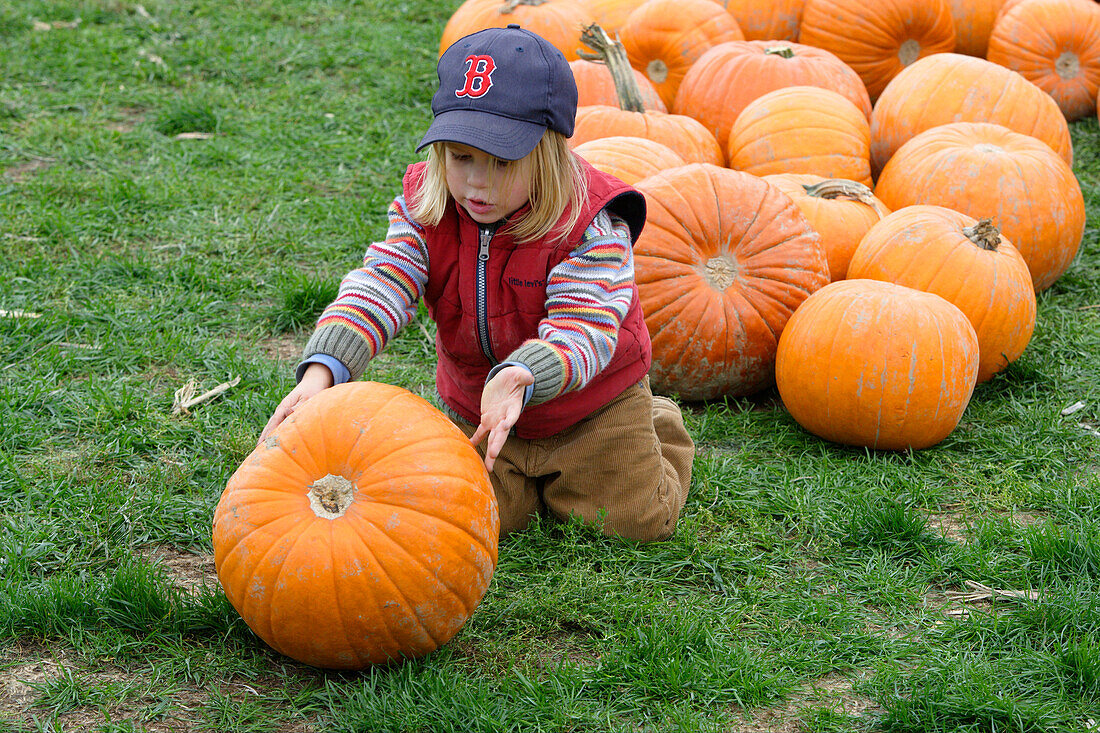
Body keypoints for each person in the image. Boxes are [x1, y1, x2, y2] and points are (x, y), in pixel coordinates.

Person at [259, 24, 694, 542]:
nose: (477, 183)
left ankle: (658, 427)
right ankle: (533, 479)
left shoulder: (589, 221)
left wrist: (523, 374)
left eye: (502, 161)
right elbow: (382, 281)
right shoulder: (430, 206)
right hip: (481, 410)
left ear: (549, 151)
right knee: (473, 519)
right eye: (461, 157)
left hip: (590, 409)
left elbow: (587, 327)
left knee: (631, 524)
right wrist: (322, 373)